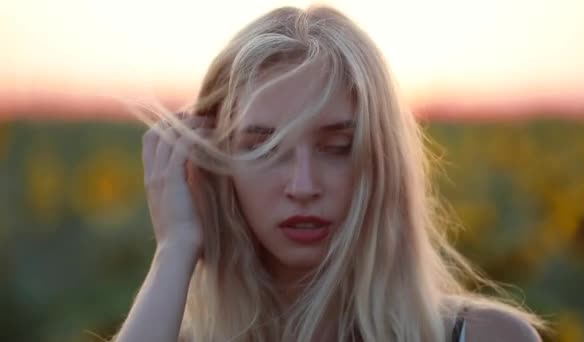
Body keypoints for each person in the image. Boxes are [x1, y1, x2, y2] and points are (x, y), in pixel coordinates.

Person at [111, 5, 549, 342]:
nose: (303, 186)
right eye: (265, 147)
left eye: (337, 148)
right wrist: (175, 248)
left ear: (383, 162)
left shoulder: (483, 337)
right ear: (218, 165)